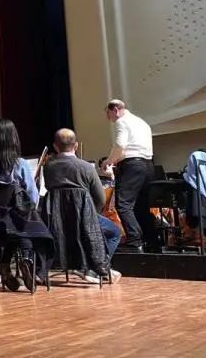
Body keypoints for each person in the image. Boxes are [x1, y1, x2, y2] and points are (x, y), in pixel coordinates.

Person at [0, 118, 53, 291]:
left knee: (11, 226)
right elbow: (32, 196)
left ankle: (5, 264)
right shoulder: (21, 164)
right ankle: (26, 259)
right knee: (27, 224)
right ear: (13, 138)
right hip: (17, 218)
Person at [42, 128, 122, 283]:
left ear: (55, 146)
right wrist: (90, 215)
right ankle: (93, 269)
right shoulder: (86, 167)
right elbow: (100, 198)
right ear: (76, 146)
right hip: (84, 218)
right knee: (114, 232)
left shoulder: (48, 167)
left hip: (56, 220)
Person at [104, 99, 153, 252]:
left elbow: (120, 145)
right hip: (148, 165)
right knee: (142, 206)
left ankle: (135, 240)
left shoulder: (122, 121)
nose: (109, 118)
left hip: (132, 166)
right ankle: (151, 240)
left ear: (115, 110)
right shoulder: (142, 122)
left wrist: (108, 161)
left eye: (108, 113)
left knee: (123, 204)